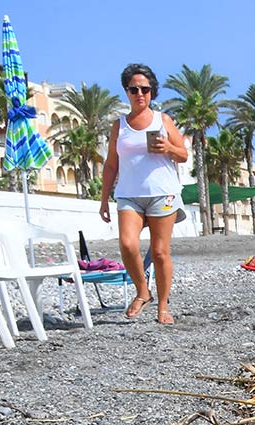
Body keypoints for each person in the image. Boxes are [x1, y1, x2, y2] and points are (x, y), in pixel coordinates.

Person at [99, 63, 190, 325]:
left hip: (163, 193)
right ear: (126, 91)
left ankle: (163, 306)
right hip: (129, 194)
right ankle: (143, 290)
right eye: (134, 89)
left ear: (152, 92)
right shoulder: (119, 126)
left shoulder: (163, 121)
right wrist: (104, 199)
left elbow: (183, 155)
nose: (140, 94)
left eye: (145, 89)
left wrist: (169, 148)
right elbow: (111, 164)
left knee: (160, 252)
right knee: (127, 245)